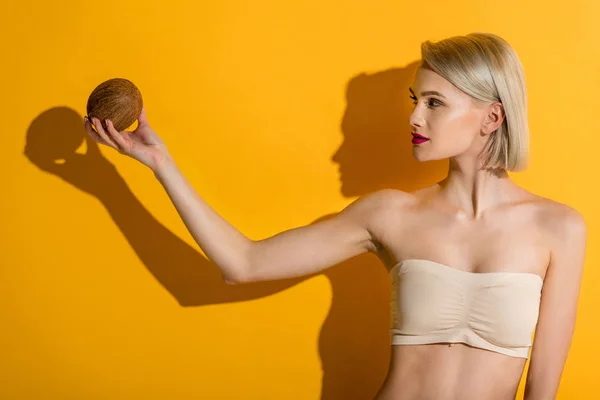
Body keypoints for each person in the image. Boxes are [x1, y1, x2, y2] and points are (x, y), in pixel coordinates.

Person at [83, 32, 587, 400]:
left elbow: (542, 391)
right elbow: (243, 263)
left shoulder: (559, 229)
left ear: (491, 117)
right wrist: (159, 163)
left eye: (435, 102)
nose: (414, 117)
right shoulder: (389, 214)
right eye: (417, 100)